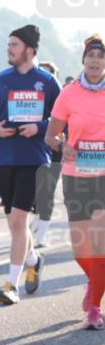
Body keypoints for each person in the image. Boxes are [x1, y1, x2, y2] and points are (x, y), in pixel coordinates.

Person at [0, 24, 60, 305]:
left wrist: (39, 127)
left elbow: (62, 119)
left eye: (14, 45)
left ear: (30, 50)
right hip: (4, 159)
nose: (9, 49)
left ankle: (11, 284)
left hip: (34, 160)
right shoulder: (1, 80)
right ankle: (34, 260)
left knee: (18, 220)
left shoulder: (47, 82)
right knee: (15, 225)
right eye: (8, 44)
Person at [45, 33, 105, 329]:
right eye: (91, 56)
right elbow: (51, 135)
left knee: (99, 244)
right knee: (81, 250)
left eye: (101, 57)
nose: (95, 61)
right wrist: (61, 146)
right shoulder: (69, 93)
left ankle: (94, 307)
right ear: (83, 60)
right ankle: (94, 281)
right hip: (75, 176)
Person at [32, 61, 64, 248]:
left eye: (47, 74)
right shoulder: (31, 98)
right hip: (36, 148)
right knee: (35, 191)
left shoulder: (63, 97)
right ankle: (36, 220)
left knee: (47, 191)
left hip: (55, 150)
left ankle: (41, 234)